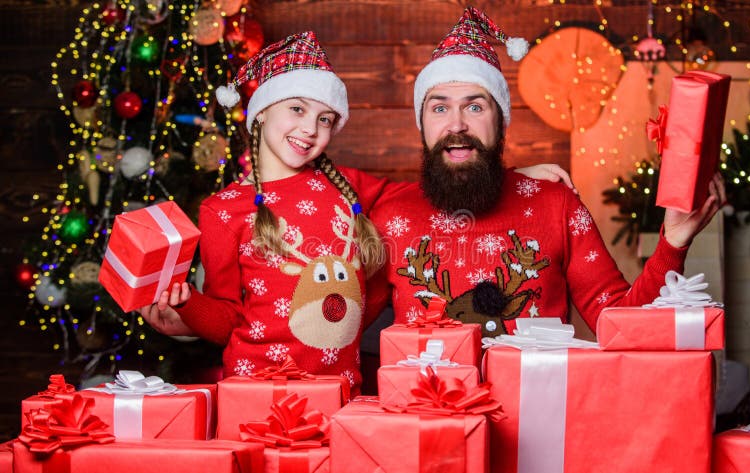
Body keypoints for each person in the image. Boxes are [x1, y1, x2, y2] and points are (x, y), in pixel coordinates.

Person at [138, 30, 572, 392]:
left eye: (326, 119)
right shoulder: (222, 210)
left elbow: (444, 180)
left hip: (342, 389)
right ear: (262, 111)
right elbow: (228, 318)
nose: (310, 129)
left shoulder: (349, 186)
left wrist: (514, 174)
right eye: (297, 109)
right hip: (256, 388)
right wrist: (189, 305)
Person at [366, 7, 725, 338]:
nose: (456, 124)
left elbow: (622, 325)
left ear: (501, 123)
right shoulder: (389, 216)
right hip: (423, 407)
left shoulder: (556, 204)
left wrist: (673, 242)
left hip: (537, 406)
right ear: (422, 124)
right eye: (439, 108)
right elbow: (333, 327)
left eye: (475, 106)